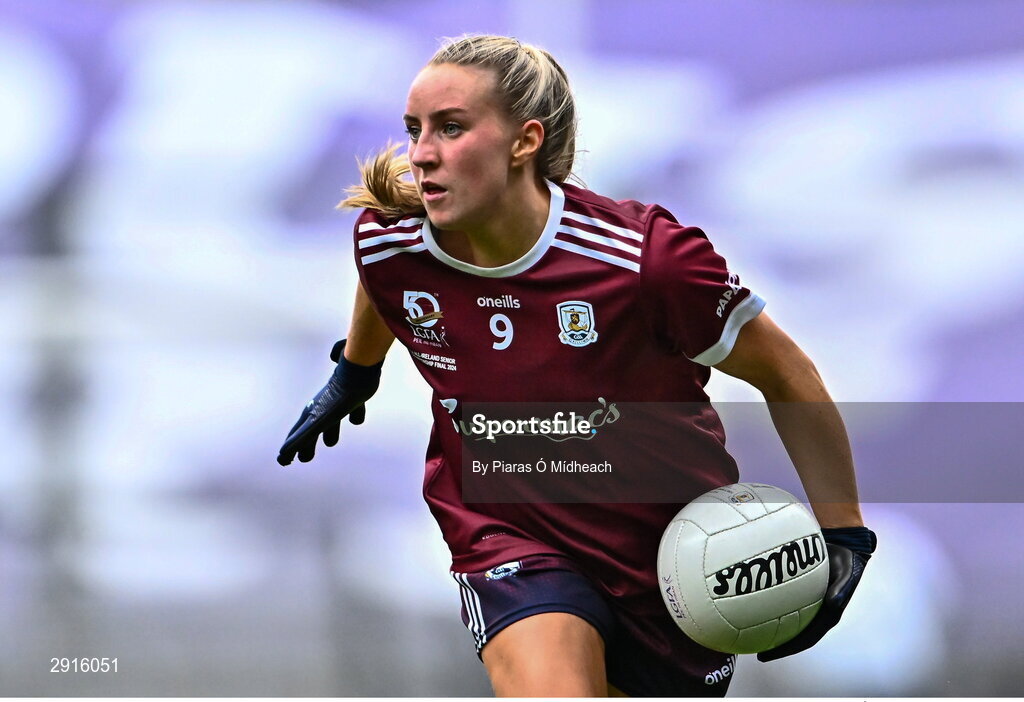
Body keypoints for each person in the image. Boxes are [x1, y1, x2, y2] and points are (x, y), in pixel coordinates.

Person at [277, 34, 876, 697]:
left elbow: (786, 375)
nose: (420, 153)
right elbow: (384, 278)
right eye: (415, 129)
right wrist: (355, 370)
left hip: (671, 558)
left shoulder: (647, 262)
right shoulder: (391, 242)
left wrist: (844, 532)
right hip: (507, 538)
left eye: (450, 128)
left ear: (524, 141)